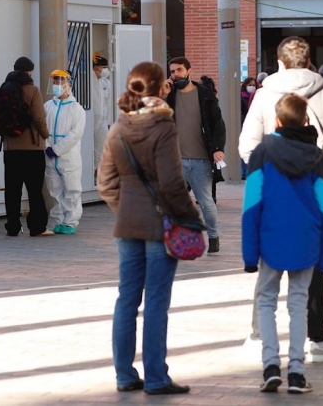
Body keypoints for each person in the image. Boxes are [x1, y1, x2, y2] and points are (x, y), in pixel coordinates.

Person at [240, 35, 323, 362]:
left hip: (272, 182)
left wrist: (268, 158)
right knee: (313, 259)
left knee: (268, 269)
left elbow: (246, 145)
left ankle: (258, 337)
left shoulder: (263, 95)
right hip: (316, 175)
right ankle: (316, 340)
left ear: (278, 62)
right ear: (308, 62)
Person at [97, 62, 202, 396]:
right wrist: (190, 219)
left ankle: (124, 374)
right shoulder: (163, 125)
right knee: (156, 301)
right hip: (161, 225)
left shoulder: (119, 127)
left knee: (127, 299)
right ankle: (156, 377)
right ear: (160, 88)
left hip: (127, 224)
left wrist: (125, 206)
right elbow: (172, 185)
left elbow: (105, 182)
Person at [242, 93, 323, 394]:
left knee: (266, 300)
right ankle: (296, 371)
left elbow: (251, 206)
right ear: (305, 120)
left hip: (270, 239)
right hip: (307, 240)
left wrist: (249, 252)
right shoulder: (318, 158)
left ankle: (270, 365)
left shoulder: (262, 153)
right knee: (298, 303)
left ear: (278, 120)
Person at [0, 56, 52, 237]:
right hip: (33, 149)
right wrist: (46, 135)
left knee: (13, 190)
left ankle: (13, 227)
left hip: (10, 150)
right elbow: (39, 119)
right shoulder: (33, 91)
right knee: (34, 190)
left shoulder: (0, 91)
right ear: (29, 71)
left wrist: (7, 133)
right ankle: (37, 227)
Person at [165, 57, 226, 253]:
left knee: (206, 202)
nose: (176, 75)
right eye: (172, 71)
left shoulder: (205, 95)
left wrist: (217, 148)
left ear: (189, 70)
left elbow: (218, 124)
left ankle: (213, 237)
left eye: (179, 70)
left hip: (201, 160)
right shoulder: (170, 96)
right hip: (176, 160)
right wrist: (163, 95)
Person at [44, 69, 86, 234]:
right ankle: (58, 219)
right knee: (54, 189)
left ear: (69, 84)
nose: (57, 85)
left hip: (68, 155)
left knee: (72, 188)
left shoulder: (76, 109)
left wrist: (57, 149)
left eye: (61, 81)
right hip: (49, 154)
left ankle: (71, 221)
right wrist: (47, 146)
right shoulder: (48, 106)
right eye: (55, 82)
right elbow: (41, 127)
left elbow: (75, 134)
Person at [92, 52, 112, 178]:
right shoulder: (88, 80)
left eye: (105, 66)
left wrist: (109, 122)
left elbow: (108, 103)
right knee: (89, 148)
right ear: (94, 67)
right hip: (90, 120)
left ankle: (99, 173)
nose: (104, 69)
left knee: (101, 148)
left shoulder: (106, 83)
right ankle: (91, 170)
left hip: (102, 121)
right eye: (101, 66)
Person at [240, 77, 258, 180]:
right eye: (249, 85)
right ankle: (244, 171)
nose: (252, 87)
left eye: (253, 85)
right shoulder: (241, 97)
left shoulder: (257, 96)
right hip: (244, 125)